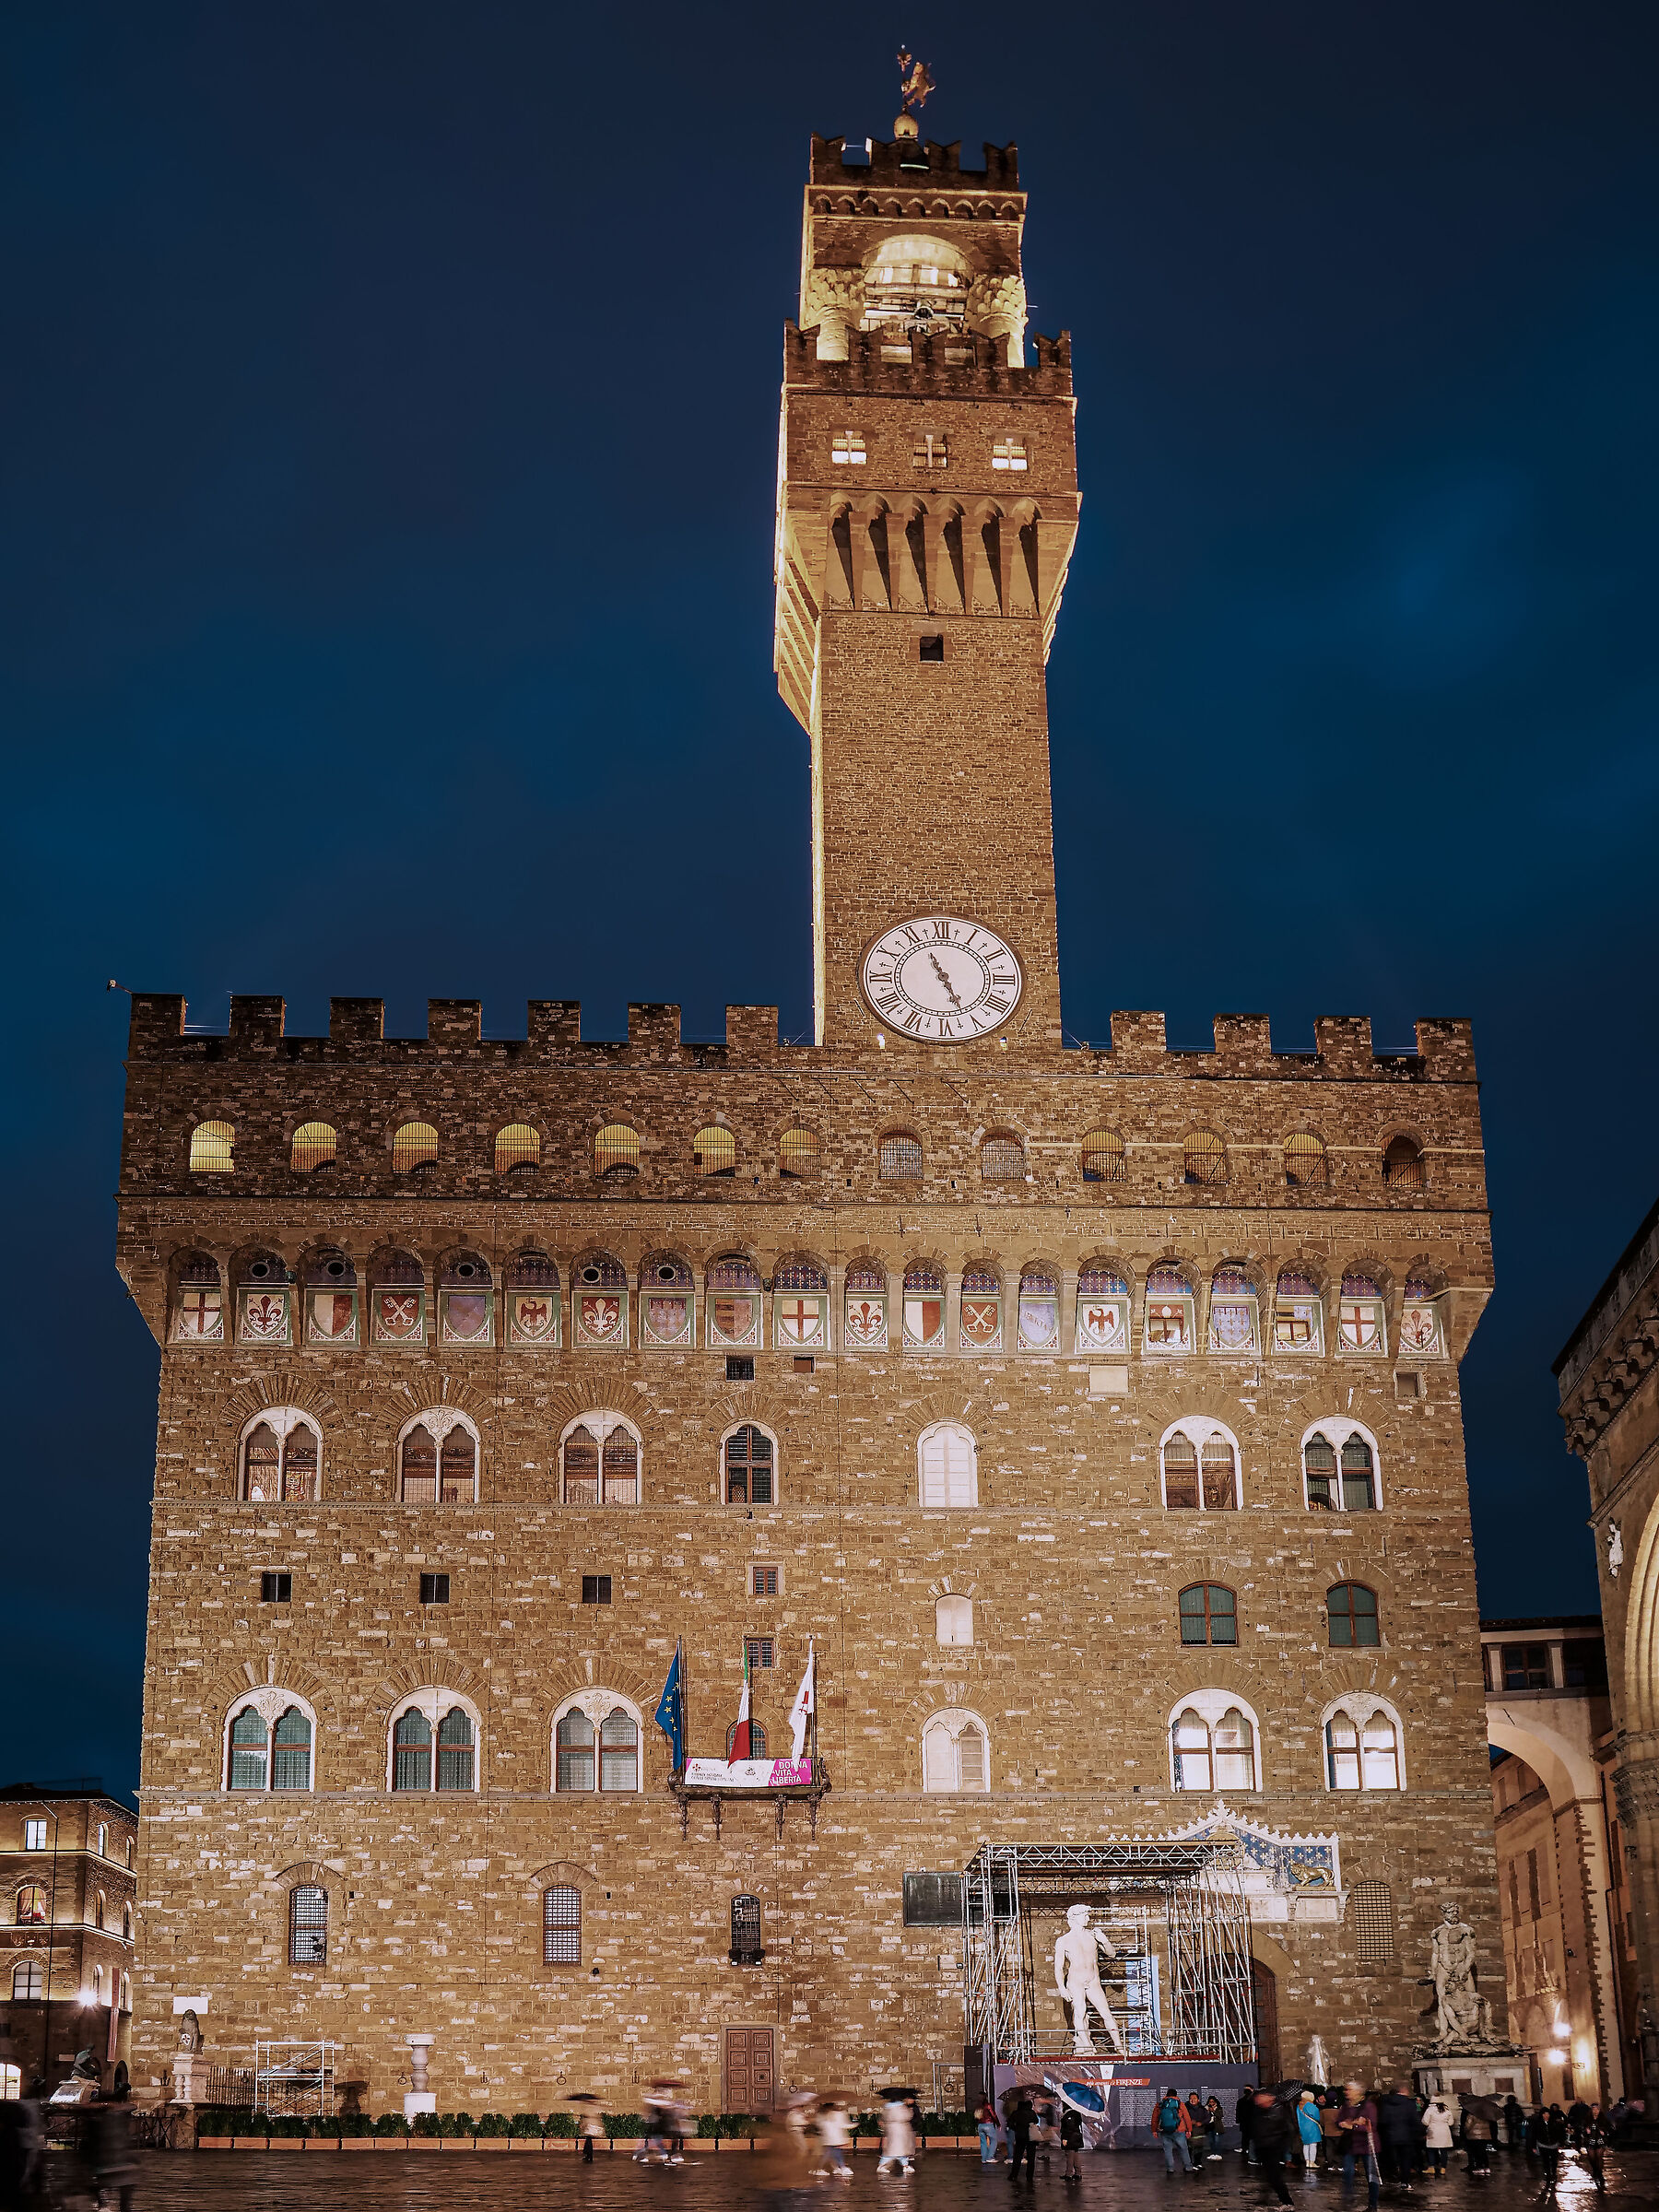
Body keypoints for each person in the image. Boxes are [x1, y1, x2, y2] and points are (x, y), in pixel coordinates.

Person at [1335, 2084, 1381, 2212]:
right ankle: (1348, 2199)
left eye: (1349, 2090)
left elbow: (1371, 2126)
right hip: (1351, 2144)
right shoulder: (1346, 2106)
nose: (1346, 2092)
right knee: (1348, 2172)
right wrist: (1346, 2123)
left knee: (1371, 2175)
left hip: (1367, 2145)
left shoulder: (1369, 2106)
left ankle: (1373, 2204)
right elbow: (1340, 2121)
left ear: (1358, 2092)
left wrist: (1352, 2125)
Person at [88, 2092, 135, 2212]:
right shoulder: (118, 2116)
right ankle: (103, 2206)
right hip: (119, 2164)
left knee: (104, 2197)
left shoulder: (101, 2119)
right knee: (123, 2204)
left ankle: (103, 2206)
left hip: (111, 2164)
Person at [1251, 2089, 1295, 2207]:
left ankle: (1287, 2201)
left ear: (1269, 2097)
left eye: (1261, 2097)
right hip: (1263, 2148)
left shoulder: (1278, 2110)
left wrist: (1280, 2146)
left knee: (1274, 2176)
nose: (1258, 2100)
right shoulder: (1259, 2111)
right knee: (1269, 2176)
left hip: (1273, 2147)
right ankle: (1265, 2199)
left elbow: (1287, 2130)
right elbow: (1257, 2129)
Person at [1375, 2083, 1419, 2189]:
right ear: (1405, 2091)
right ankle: (1404, 2181)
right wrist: (1417, 2134)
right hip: (1406, 2137)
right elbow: (1415, 2121)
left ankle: (1393, 2178)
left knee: (1392, 2159)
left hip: (1390, 2136)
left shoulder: (1386, 2104)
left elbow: (1383, 2120)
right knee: (1406, 2160)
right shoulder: (1410, 2104)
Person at [1152, 2086, 1196, 2176]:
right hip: (1179, 2131)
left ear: (1166, 2095)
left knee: (1168, 2150)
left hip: (1165, 2131)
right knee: (1184, 2149)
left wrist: (1154, 2130)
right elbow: (1187, 2117)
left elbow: (1155, 2119)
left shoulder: (1160, 2105)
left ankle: (1170, 2168)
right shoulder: (1180, 2104)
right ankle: (1188, 2167)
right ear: (1176, 2095)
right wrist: (1189, 2130)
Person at [877, 2092, 914, 2177]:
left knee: (898, 2150)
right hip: (900, 2130)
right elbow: (907, 2116)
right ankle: (881, 2166)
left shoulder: (887, 2107)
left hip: (892, 2129)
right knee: (895, 2151)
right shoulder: (901, 2107)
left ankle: (905, 2166)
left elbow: (884, 2118)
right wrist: (910, 2110)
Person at [818, 2099, 853, 2182]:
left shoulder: (825, 2115)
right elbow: (842, 2125)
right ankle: (842, 2167)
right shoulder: (836, 2114)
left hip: (830, 2139)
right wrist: (853, 2125)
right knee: (835, 2153)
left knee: (831, 2153)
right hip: (833, 2138)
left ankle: (836, 2167)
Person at [1534, 2104, 1566, 2194]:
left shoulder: (1554, 2123)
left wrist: (1561, 2142)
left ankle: (1553, 2172)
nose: (1546, 2116)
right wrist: (1533, 2146)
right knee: (1546, 2161)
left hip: (1553, 2144)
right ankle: (1548, 2175)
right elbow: (1534, 2135)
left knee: (1554, 2160)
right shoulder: (1538, 2123)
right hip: (1543, 2144)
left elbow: (1560, 2133)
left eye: (1547, 2114)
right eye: (1544, 2114)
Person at [1461, 2098, 1494, 2178]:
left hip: (1474, 2136)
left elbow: (1467, 2127)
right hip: (1485, 2136)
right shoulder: (1486, 2115)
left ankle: (1479, 2168)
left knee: (1477, 2153)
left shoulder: (1471, 2115)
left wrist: (1464, 2131)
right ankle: (1486, 2167)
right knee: (1483, 2152)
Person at [1421, 2100, 1453, 2177]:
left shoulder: (1429, 2110)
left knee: (1431, 2150)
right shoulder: (1447, 2109)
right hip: (1445, 2132)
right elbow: (1451, 2122)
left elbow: (1425, 2121)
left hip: (1433, 2132)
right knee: (1443, 2151)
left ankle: (1431, 2167)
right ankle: (1443, 2168)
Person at [1296, 2091, 1324, 2177]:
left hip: (1303, 2127)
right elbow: (1317, 2117)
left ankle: (1307, 2161)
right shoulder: (1311, 2106)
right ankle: (1312, 2162)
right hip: (1312, 2127)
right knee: (1313, 2145)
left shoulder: (1298, 2106)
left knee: (1306, 2144)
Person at [1060, 2104, 1084, 2186]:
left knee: (1069, 2155)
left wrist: (1065, 2138)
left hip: (1070, 2137)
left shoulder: (1069, 2115)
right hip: (1076, 2137)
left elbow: (1069, 2127)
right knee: (1075, 2155)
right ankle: (1078, 2173)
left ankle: (1068, 2174)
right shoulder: (1076, 2113)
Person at [1034, 2098, 1059, 2172]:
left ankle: (1046, 2155)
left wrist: (1038, 2113)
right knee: (1046, 2142)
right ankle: (1046, 2155)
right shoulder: (1048, 2106)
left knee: (1046, 2140)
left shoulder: (1048, 2107)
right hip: (1047, 2125)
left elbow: (1048, 2116)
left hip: (1047, 2126)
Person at [977, 2098, 1002, 2166]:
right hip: (988, 2124)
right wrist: (998, 2124)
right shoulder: (988, 2105)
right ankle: (990, 2157)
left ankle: (984, 2159)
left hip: (980, 2125)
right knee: (994, 2140)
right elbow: (993, 2115)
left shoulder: (978, 2106)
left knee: (983, 2142)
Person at [1238, 2088, 1259, 2164]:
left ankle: (1245, 2149)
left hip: (1245, 2121)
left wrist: (1239, 2120)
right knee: (1252, 2139)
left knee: (1246, 2136)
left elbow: (1239, 2111)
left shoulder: (1241, 2101)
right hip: (1252, 2122)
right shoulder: (1253, 2102)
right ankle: (1252, 2155)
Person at [1205, 2096, 1228, 2160]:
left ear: (1215, 2102)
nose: (1211, 2103)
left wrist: (1213, 2111)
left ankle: (1218, 2154)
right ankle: (1213, 2153)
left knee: (1217, 2141)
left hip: (1216, 2127)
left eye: (1212, 2102)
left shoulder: (1219, 2108)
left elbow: (1220, 2116)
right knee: (1211, 2141)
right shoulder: (1206, 2108)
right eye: (1210, 2102)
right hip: (1209, 2127)